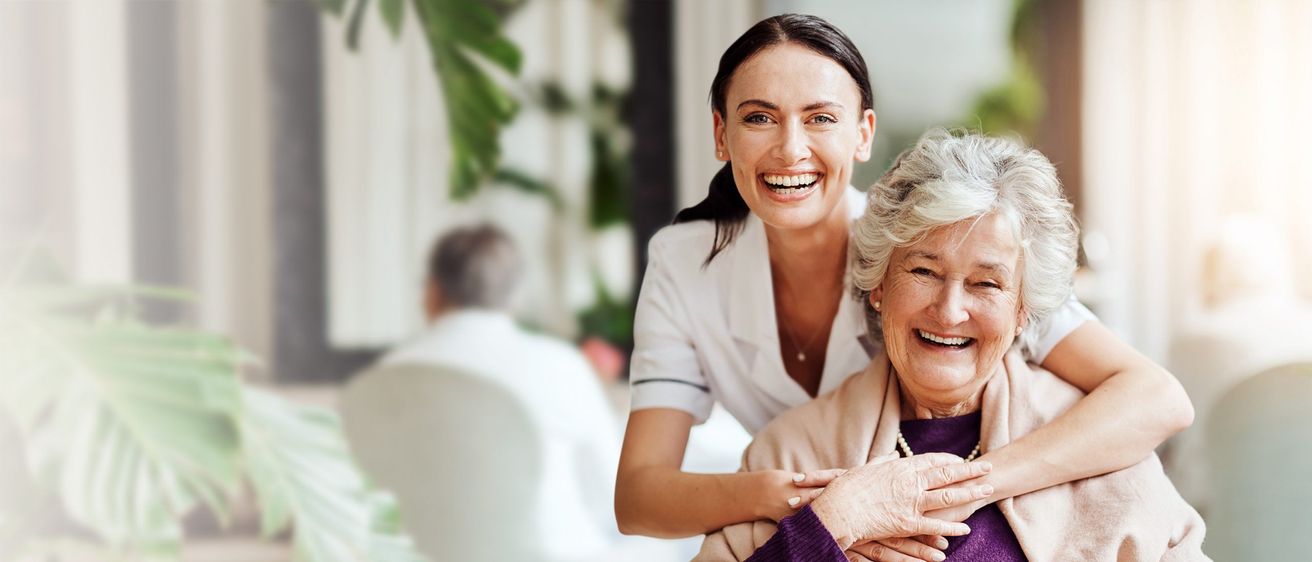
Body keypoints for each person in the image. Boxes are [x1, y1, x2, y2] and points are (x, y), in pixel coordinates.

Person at [616, 13, 1195, 560]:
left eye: (820, 117)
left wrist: (964, 486)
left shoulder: (945, 233)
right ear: (721, 134)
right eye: (759, 117)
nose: (790, 148)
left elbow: (1156, 397)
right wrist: (817, 507)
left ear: (863, 133)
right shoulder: (687, 268)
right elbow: (640, 496)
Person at [697, 130, 1208, 561]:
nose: (949, 310)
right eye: (923, 271)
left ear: (1023, 310)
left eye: (987, 284)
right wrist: (829, 524)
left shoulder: (1104, 449)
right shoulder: (790, 452)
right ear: (878, 284)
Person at [378, 224, 624, 560]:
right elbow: (614, 490)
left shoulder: (389, 373)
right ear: (515, 295)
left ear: (433, 292)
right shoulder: (561, 366)